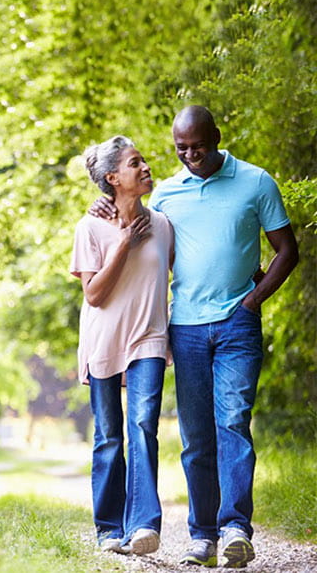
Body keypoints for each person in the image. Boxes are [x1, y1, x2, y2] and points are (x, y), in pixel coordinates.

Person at [90, 106, 300, 568]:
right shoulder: (166, 194)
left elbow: (288, 251)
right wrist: (103, 204)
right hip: (184, 327)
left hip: (236, 324)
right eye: (181, 149)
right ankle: (201, 535)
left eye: (198, 146)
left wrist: (254, 299)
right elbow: (134, 227)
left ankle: (234, 529)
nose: (190, 155)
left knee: (233, 422)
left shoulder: (256, 181)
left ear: (217, 137)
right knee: (195, 436)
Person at [72, 135, 173, 556]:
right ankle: (108, 528)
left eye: (143, 160)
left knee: (143, 425)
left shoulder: (164, 225)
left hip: (149, 337)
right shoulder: (90, 227)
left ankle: (143, 525)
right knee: (110, 435)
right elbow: (94, 295)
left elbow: (187, 275)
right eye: (135, 163)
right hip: (104, 342)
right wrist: (123, 243)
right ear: (113, 178)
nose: (146, 166)